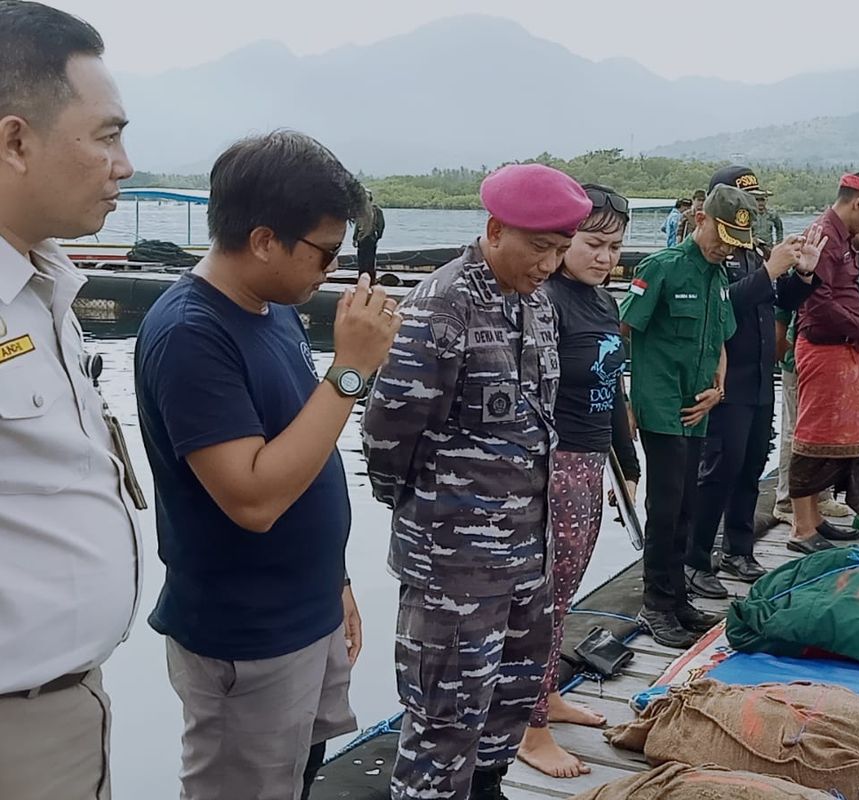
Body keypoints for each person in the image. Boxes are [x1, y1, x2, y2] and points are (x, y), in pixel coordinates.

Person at [135, 132, 390, 800]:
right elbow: (252, 498)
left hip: (303, 612)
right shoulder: (191, 332)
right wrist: (353, 371)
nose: (331, 269)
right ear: (263, 239)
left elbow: (298, 440)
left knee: (299, 776)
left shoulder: (273, 310)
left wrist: (332, 578)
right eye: (325, 252)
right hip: (244, 637)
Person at [362, 163, 592, 800]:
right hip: (453, 567)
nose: (549, 264)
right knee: (443, 724)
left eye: (558, 250)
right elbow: (387, 438)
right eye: (539, 249)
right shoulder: (441, 306)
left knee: (507, 712)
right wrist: (428, 517)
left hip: (527, 557)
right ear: (494, 231)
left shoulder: (537, 306)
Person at [0, 5, 141, 798]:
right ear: (16, 141)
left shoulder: (42, 289)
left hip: (68, 702)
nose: (124, 164)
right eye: (107, 135)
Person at [516, 184, 640, 779]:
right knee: (541, 598)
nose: (604, 257)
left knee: (564, 591)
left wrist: (628, 464)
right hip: (553, 462)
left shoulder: (602, 304)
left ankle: (547, 697)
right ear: (564, 241)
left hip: (591, 463)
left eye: (615, 247)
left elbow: (612, 387)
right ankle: (528, 728)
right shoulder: (547, 302)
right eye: (593, 243)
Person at [618, 184, 753, 648]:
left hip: (699, 409)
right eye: (720, 237)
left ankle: (677, 597)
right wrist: (626, 403)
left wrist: (720, 387)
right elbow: (623, 330)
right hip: (659, 406)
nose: (724, 250)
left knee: (688, 508)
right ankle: (656, 603)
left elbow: (719, 341)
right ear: (700, 220)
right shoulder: (662, 269)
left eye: (734, 245)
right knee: (665, 507)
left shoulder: (718, 278)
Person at [686, 167, 823, 600]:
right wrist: (769, 269)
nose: (754, 208)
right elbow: (725, 305)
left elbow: (780, 301)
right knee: (718, 471)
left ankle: (738, 550)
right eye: (744, 202)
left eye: (756, 201)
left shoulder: (753, 250)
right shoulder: (710, 256)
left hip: (760, 375)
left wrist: (801, 274)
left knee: (748, 469)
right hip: (727, 378)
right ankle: (696, 558)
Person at [787, 174, 859, 553]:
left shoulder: (844, 241)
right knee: (814, 436)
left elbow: (851, 293)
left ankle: (816, 520)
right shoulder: (822, 235)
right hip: (822, 347)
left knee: (842, 437)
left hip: (845, 347)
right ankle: (802, 528)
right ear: (857, 204)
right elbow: (818, 303)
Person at [354, 190, 385, 280]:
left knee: (370, 260)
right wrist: (355, 238)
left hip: (371, 238)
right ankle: (362, 279)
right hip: (361, 239)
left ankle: (371, 280)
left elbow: (381, 224)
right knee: (361, 261)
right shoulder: (360, 211)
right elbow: (358, 225)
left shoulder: (376, 210)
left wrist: (378, 236)